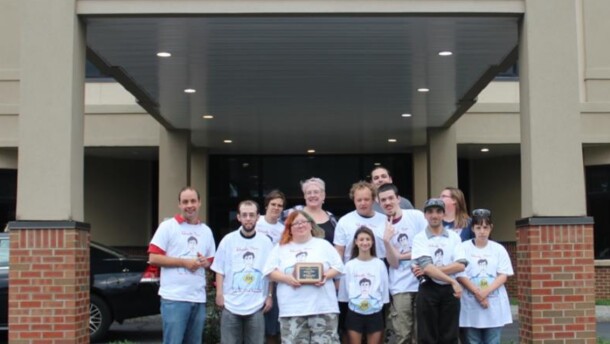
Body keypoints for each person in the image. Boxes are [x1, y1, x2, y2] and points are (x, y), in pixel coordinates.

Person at [263, 210, 344, 343]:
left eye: (303, 222)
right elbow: (269, 271)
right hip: (292, 310)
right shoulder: (280, 248)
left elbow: (339, 267)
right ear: (289, 229)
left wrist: (325, 276)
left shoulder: (324, 245)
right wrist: (286, 278)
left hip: (323, 308)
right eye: (295, 223)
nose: (300, 226)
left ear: (311, 225)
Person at [148, 186, 216, 344]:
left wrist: (206, 263)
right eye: (185, 202)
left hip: (198, 298)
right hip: (174, 299)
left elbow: (211, 261)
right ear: (179, 205)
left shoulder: (206, 231)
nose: (189, 205)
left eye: (193, 201)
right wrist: (184, 262)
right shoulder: (168, 227)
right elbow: (153, 258)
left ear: (199, 203)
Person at [211, 200, 274, 344]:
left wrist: (269, 295)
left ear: (258, 217)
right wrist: (219, 294)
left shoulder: (266, 242)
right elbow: (219, 269)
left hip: (257, 306)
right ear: (238, 217)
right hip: (230, 305)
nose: (248, 218)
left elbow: (270, 272)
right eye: (244, 215)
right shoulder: (228, 240)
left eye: (252, 215)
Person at [334, 181, 387, 340]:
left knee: (378, 325)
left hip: (377, 273)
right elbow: (339, 251)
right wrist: (338, 278)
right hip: (351, 276)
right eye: (359, 200)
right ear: (354, 200)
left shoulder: (384, 220)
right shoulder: (345, 221)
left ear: (373, 200)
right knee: (348, 327)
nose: (363, 203)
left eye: (366, 199)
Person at [411, 198, 466, 344]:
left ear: (443, 214)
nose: (434, 215)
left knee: (450, 336)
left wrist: (432, 270)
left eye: (438, 211)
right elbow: (426, 266)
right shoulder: (419, 238)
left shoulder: (454, 237)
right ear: (425, 215)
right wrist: (452, 280)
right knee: (427, 336)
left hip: (450, 292)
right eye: (430, 212)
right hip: (429, 288)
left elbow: (461, 265)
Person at [379, 183, 427, 344]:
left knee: (422, 334)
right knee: (402, 335)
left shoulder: (416, 216)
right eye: (383, 200)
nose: (388, 202)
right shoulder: (381, 227)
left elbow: (426, 250)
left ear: (398, 199)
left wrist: (401, 255)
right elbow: (393, 263)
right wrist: (386, 241)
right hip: (400, 287)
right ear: (379, 203)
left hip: (422, 282)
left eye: (391, 198)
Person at [457, 209, 513, 344]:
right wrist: (478, 294)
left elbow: (503, 275)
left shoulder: (499, 249)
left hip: (493, 305)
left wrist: (485, 293)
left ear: (491, 228)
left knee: (493, 340)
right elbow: (460, 275)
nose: (482, 231)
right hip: (470, 305)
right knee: (472, 340)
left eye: (485, 227)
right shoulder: (463, 248)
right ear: (472, 228)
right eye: (478, 227)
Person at [338, 226, 389, 344]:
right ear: (356, 242)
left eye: (368, 239)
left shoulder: (379, 264)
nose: (365, 242)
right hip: (354, 312)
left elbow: (385, 290)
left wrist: (382, 305)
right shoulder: (349, 265)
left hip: (375, 311)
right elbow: (344, 293)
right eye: (361, 239)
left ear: (372, 242)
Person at [255, 190, 286, 344]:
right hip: (252, 279)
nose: (276, 207)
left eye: (280, 205)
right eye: (273, 204)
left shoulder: (283, 230)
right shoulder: (255, 222)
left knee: (272, 329)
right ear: (266, 205)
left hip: (272, 282)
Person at [283, 177, 338, 244]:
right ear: (304, 196)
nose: (312, 195)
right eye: (309, 193)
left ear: (323, 195)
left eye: (316, 192)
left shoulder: (331, 218)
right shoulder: (294, 212)